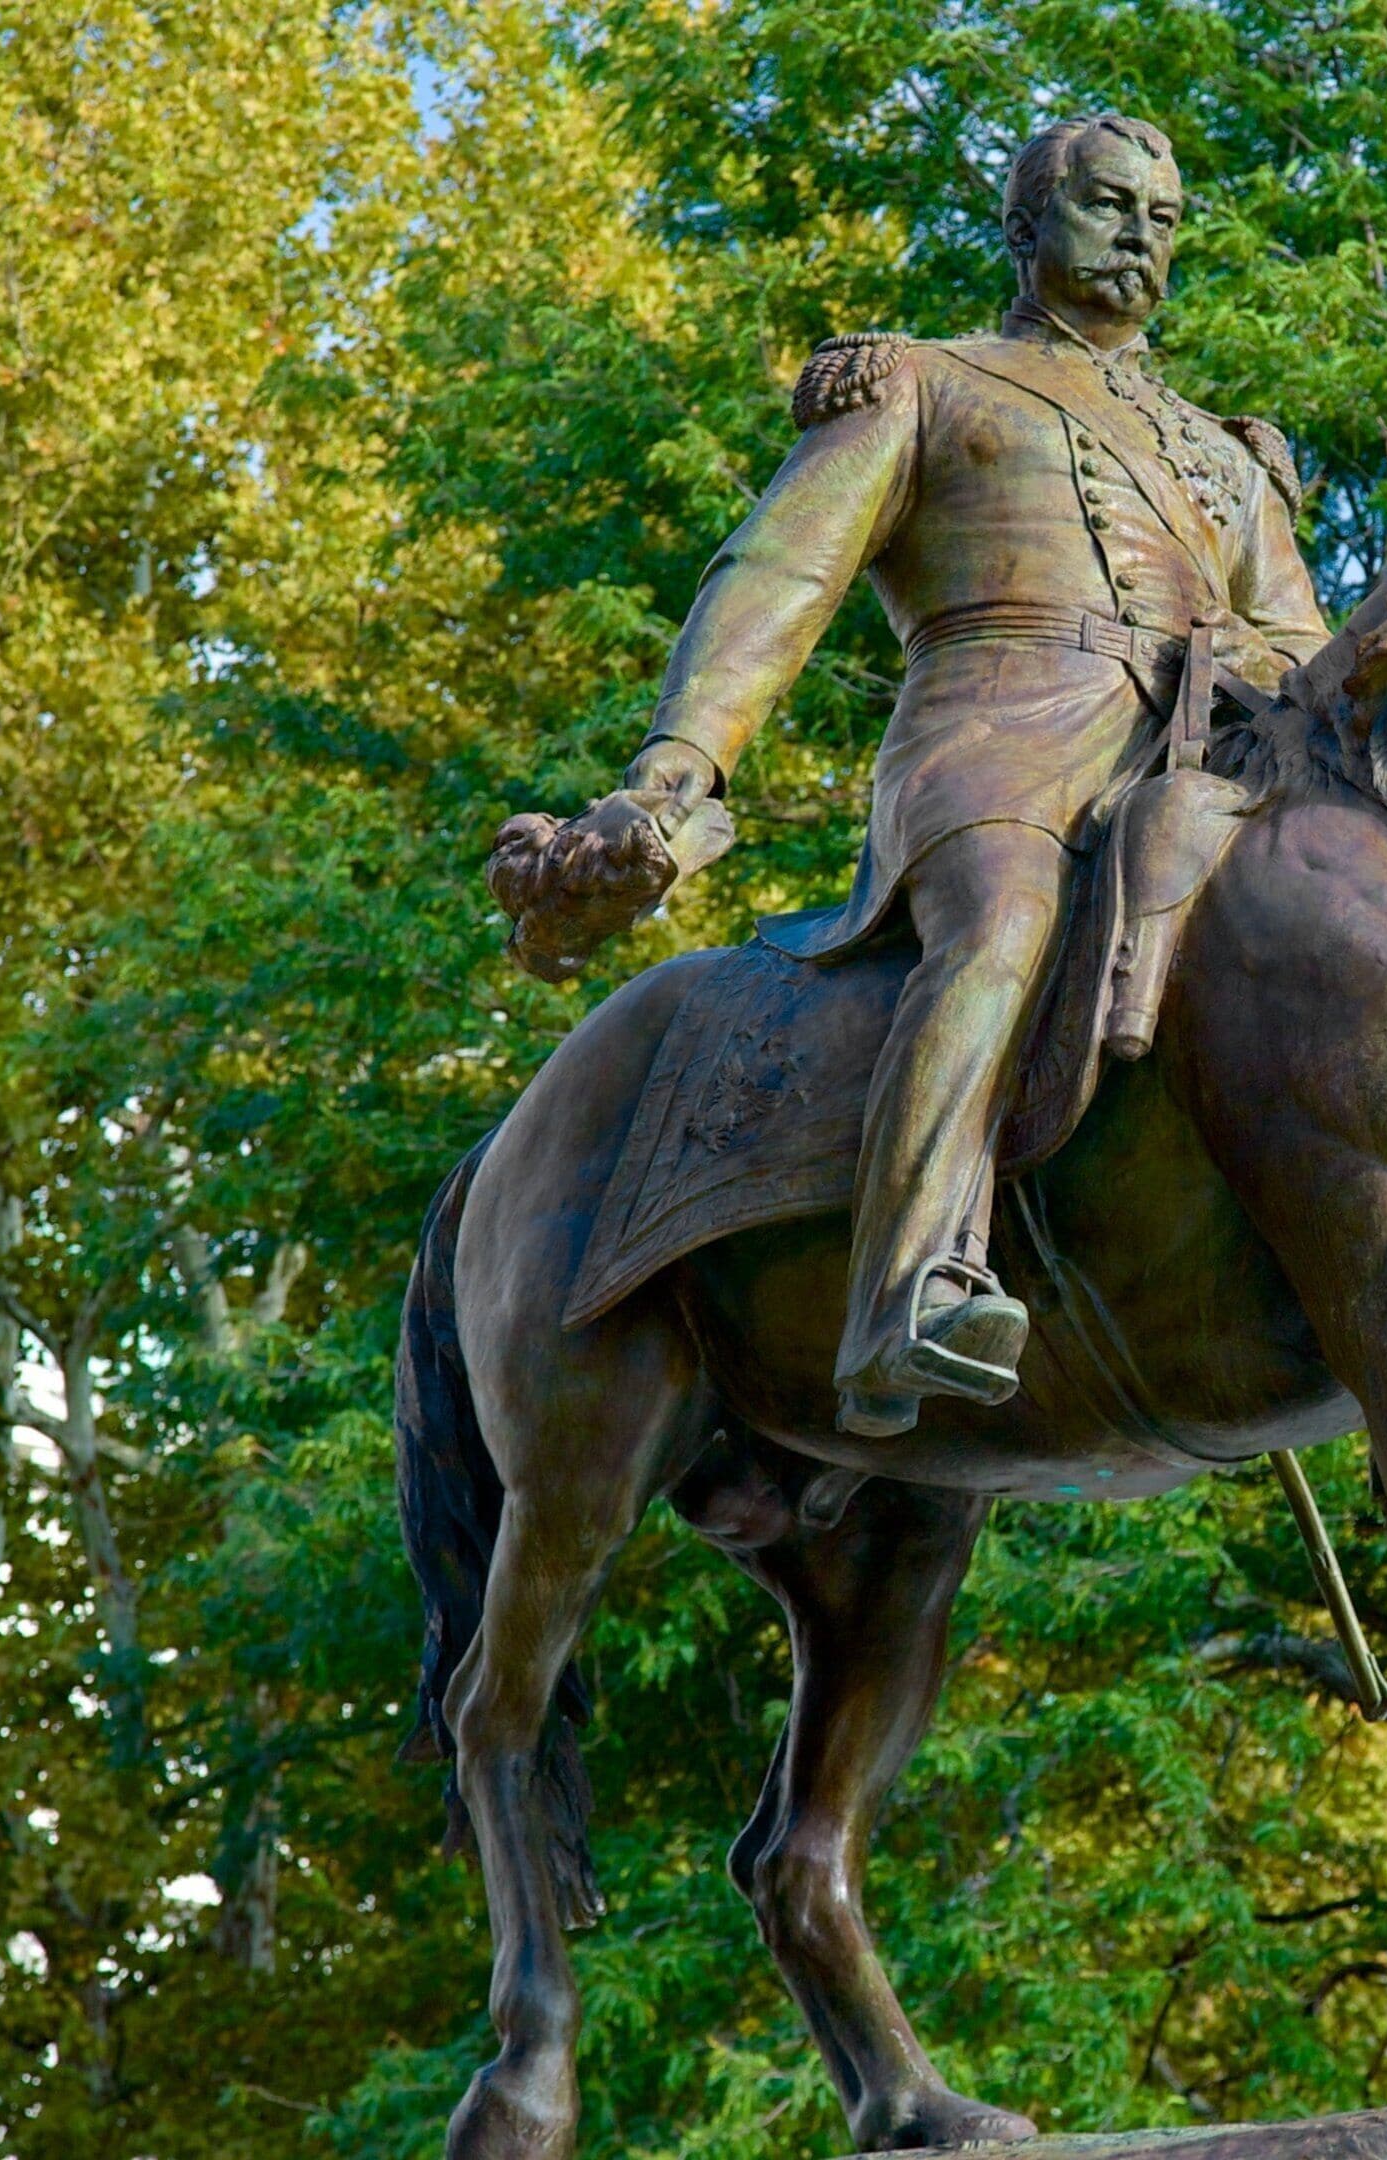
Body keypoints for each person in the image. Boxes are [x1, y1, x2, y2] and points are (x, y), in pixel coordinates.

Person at [552, 112, 1330, 1435]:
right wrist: (680, 765)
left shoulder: (1226, 457)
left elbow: (1308, 647)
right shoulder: (925, 382)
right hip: (998, 735)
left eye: (1164, 215)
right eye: (1107, 203)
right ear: (1025, 227)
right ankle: (907, 1285)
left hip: (1206, 758)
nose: (1142, 231)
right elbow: (779, 576)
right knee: (1002, 929)